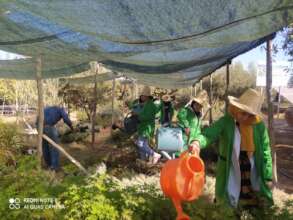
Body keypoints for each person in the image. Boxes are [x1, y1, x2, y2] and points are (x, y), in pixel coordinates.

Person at [190, 89, 273, 208]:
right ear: (237, 108)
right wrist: (197, 142)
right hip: (230, 165)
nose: (246, 117)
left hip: (252, 166)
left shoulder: (258, 126)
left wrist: (268, 175)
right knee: (228, 197)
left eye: (250, 115)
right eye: (243, 113)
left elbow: (266, 150)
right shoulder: (226, 122)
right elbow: (208, 134)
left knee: (253, 197)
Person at [38, 106, 74, 171]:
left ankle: (48, 164)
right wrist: (71, 127)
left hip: (38, 126)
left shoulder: (48, 108)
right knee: (54, 146)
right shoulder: (61, 109)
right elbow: (66, 119)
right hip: (48, 126)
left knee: (45, 145)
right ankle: (54, 167)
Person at [133, 86, 161, 164]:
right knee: (143, 145)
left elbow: (147, 116)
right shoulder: (145, 104)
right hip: (143, 127)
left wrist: (137, 115)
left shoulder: (150, 105)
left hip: (146, 128)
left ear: (147, 96)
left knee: (140, 144)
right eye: (141, 95)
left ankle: (155, 154)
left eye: (143, 95)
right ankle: (143, 161)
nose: (141, 97)